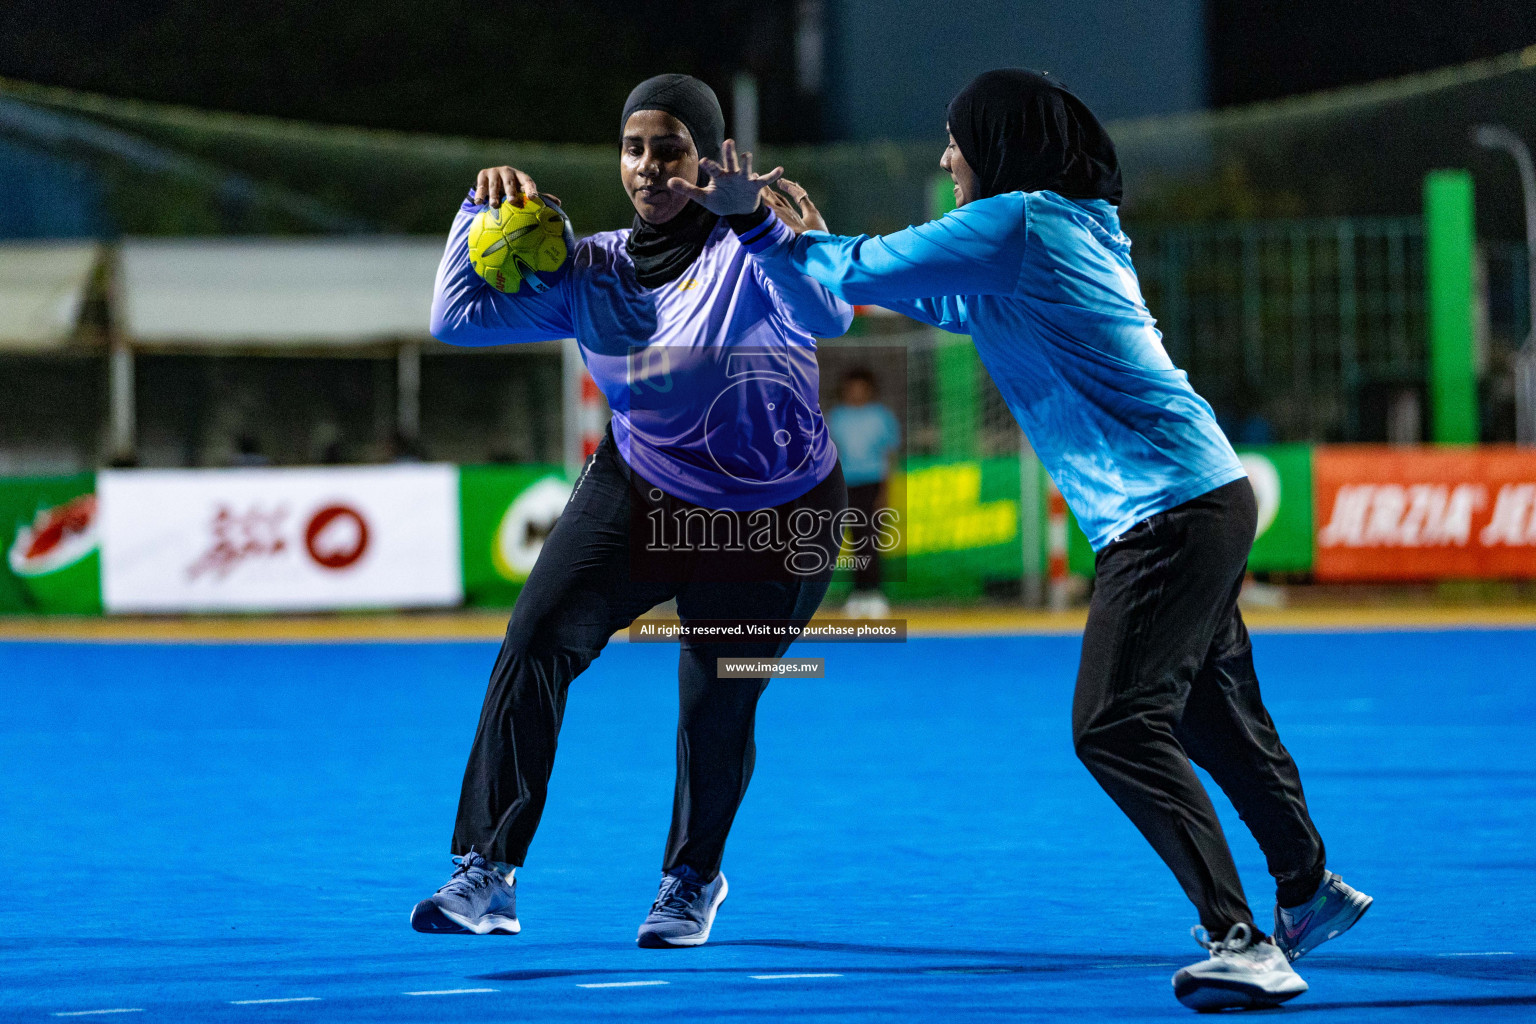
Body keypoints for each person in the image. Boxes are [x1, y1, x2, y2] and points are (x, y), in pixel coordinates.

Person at [679, 69, 1372, 1011]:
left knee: (1115, 725)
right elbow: (857, 288)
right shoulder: (1046, 237)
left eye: (955, 137)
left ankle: (1240, 940)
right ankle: (1308, 888)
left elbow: (861, 267)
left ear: (1000, 144)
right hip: (1200, 495)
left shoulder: (1022, 224)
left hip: (1165, 513)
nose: (944, 156)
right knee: (1210, 713)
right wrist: (785, 242)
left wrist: (758, 223)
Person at [415, 73, 852, 948]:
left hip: (773, 511)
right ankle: (486, 873)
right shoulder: (591, 265)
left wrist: (763, 226)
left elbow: (830, 312)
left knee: (716, 697)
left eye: (671, 149)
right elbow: (455, 317)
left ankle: (692, 880)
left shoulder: (752, 251)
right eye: (634, 148)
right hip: (639, 483)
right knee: (535, 642)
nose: (649, 167)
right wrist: (478, 209)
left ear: (709, 159)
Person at [826, 367, 899, 617]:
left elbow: (889, 455)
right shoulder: (835, 417)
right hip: (844, 486)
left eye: (861, 387)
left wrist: (885, 492)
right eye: (851, 387)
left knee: (872, 539)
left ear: (868, 389)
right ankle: (857, 594)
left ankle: (875, 594)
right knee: (853, 541)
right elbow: (829, 456)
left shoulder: (881, 416)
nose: (856, 392)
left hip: (873, 483)